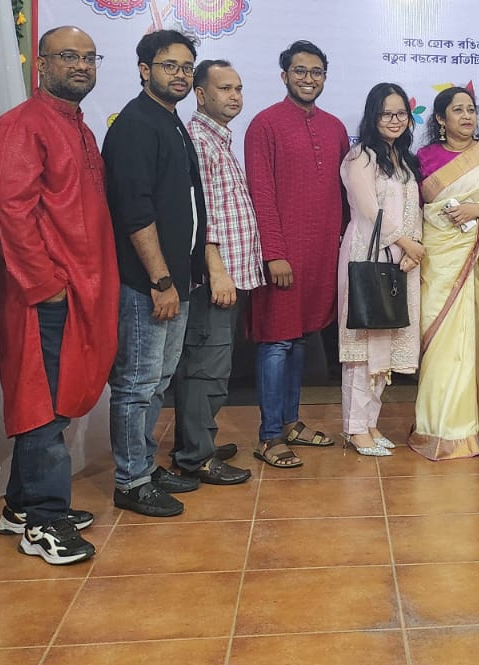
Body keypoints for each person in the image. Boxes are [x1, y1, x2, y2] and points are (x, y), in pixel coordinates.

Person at [0, 26, 118, 566]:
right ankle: (45, 521)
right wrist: (46, 286)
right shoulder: (22, 124)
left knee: (53, 395)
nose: (82, 65)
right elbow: (12, 212)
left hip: (78, 287)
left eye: (89, 57)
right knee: (42, 400)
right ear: (40, 64)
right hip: (42, 292)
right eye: (68, 56)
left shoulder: (78, 125)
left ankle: (20, 506)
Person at [102, 30, 206, 517]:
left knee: (158, 380)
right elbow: (135, 211)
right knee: (137, 383)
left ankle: (144, 463)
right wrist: (160, 281)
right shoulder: (136, 124)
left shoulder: (170, 120)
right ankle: (130, 480)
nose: (180, 75)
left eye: (186, 67)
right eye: (169, 66)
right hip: (148, 284)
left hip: (175, 280)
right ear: (144, 70)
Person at [246, 39, 350, 467]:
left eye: (316, 72)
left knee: (301, 339)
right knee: (276, 341)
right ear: (284, 75)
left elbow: (344, 196)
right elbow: (261, 194)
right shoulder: (264, 125)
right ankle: (270, 435)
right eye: (300, 71)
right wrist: (274, 253)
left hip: (322, 255)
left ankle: (290, 422)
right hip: (283, 256)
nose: (309, 78)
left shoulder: (335, 128)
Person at [411, 87, 479, 458]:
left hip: (476, 266)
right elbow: (415, 211)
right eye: (457, 110)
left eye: (471, 109)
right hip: (438, 264)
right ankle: (432, 426)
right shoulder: (423, 159)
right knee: (440, 343)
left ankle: (464, 427)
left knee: (469, 345)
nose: (466, 116)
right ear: (440, 119)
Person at [168, 59, 260, 487]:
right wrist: (216, 271)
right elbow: (199, 217)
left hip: (229, 275)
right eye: (225, 88)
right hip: (213, 278)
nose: (234, 96)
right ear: (201, 94)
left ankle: (194, 442)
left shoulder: (218, 138)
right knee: (206, 368)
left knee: (210, 365)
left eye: (238, 88)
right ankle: (196, 457)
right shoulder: (199, 142)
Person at [338, 84, 424, 456]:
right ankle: (355, 428)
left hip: (401, 260)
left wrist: (413, 249)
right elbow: (369, 209)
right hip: (368, 255)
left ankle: (370, 423)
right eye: (387, 113)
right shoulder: (360, 157)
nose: (394, 120)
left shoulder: (403, 160)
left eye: (401, 113)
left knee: (384, 346)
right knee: (363, 348)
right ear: (373, 117)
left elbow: (414, 211)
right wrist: (405, 242)